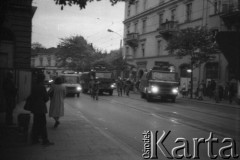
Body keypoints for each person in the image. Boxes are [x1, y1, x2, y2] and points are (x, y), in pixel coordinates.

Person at [30, 73, 54, 146]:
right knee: (43, 124)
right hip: (40, 107)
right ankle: (45, 140)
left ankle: (35, 139)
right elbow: (46, 98)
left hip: (34, 107)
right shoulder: (42, 87)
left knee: (35, 123)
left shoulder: (33, 86)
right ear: (42, 79)